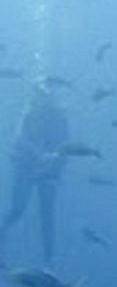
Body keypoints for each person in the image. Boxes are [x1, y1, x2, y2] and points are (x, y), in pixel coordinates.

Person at [0, 82, 71, 266]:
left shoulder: (60, 115)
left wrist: (55, 162)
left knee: (47, 214)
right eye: (39, 94)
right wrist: (39, 155)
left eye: (46, 94)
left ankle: (49, 262)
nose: (42, 98)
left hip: (49, 170)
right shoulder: (28, 112)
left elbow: (67, 145)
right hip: (25, 165)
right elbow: (19, 138)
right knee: (17, 209)